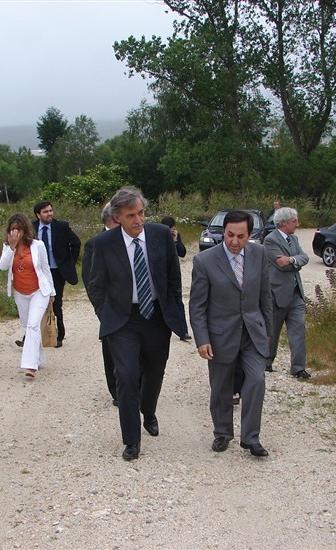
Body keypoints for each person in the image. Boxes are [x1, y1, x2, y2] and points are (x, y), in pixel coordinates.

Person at [88, 187, 188, 460]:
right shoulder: (104, 243)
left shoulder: (160, 236)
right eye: (131, 215)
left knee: (155, 371)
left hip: (156, 316)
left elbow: (172, 279)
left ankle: (150, 411)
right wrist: (105, 314)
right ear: (117, 217)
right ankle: (131, 440)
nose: (138, 220)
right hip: (123, 319)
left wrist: (175, 312)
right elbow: (96, 285)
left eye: (141, 213)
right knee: (127, 375)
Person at [189, 210, 274, 457]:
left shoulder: (259, 254)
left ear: (250, 235)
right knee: (221, 388)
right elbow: (197, 305)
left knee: (256, 381)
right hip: (220, 335)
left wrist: (268, 330)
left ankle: (251, 438)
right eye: (229, 235)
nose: (234, 241)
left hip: (252, 333)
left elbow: (265, 296)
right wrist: (202, 339)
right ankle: (222, 433)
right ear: (223, 232)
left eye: (241, 236)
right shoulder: (205, 261)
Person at [0, 213, 56, 378]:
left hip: (39, 291)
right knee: (27, 325)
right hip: (20, 292)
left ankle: (30, 365)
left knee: (32, 325)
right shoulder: (8, 247)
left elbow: (45, 269)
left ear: (25, 230)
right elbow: (2, 266)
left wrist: (52, 292)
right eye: (12, 230)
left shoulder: (38, 246)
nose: (16, 233)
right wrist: (11, 247)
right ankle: (37, 357)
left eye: (19, 230)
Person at [263, 207, 311, 379]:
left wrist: (291, 259)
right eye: (294, 221)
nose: (297, 224)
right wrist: (296, 261)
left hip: (296, 294)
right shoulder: (270, 240)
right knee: (273, 330)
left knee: (298, 329)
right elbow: (279, 265)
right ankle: (266, 362)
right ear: (284, 222)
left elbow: (304, 257)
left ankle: (298, 367)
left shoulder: (294, 238)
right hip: (277, 294)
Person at [27, 201, 81, 349]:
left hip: (57, 270)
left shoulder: (61, 226)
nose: (49, 214)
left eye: (51, 210)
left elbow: (76, 243)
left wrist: (69, 262)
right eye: (45, 212)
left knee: (55, 302)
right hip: (38, 272)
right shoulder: (32, 228)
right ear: (38, 215)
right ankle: (29, 337)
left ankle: (59, 335)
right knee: (35, 303)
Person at [82, 203, 119, 405]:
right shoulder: (94, 244)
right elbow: (90, 281)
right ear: (112, 219)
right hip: (110, 309)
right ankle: (116, 391)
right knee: (112, 350)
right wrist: (103, 312)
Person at [160, 215, 192, 342]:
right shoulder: (157, 236)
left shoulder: (175, 236)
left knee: (178, 301)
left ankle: (183, 331)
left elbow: (182, 253)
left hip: (174, 274)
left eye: (172, 230)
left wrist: (175, 240)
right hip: (161, 273)